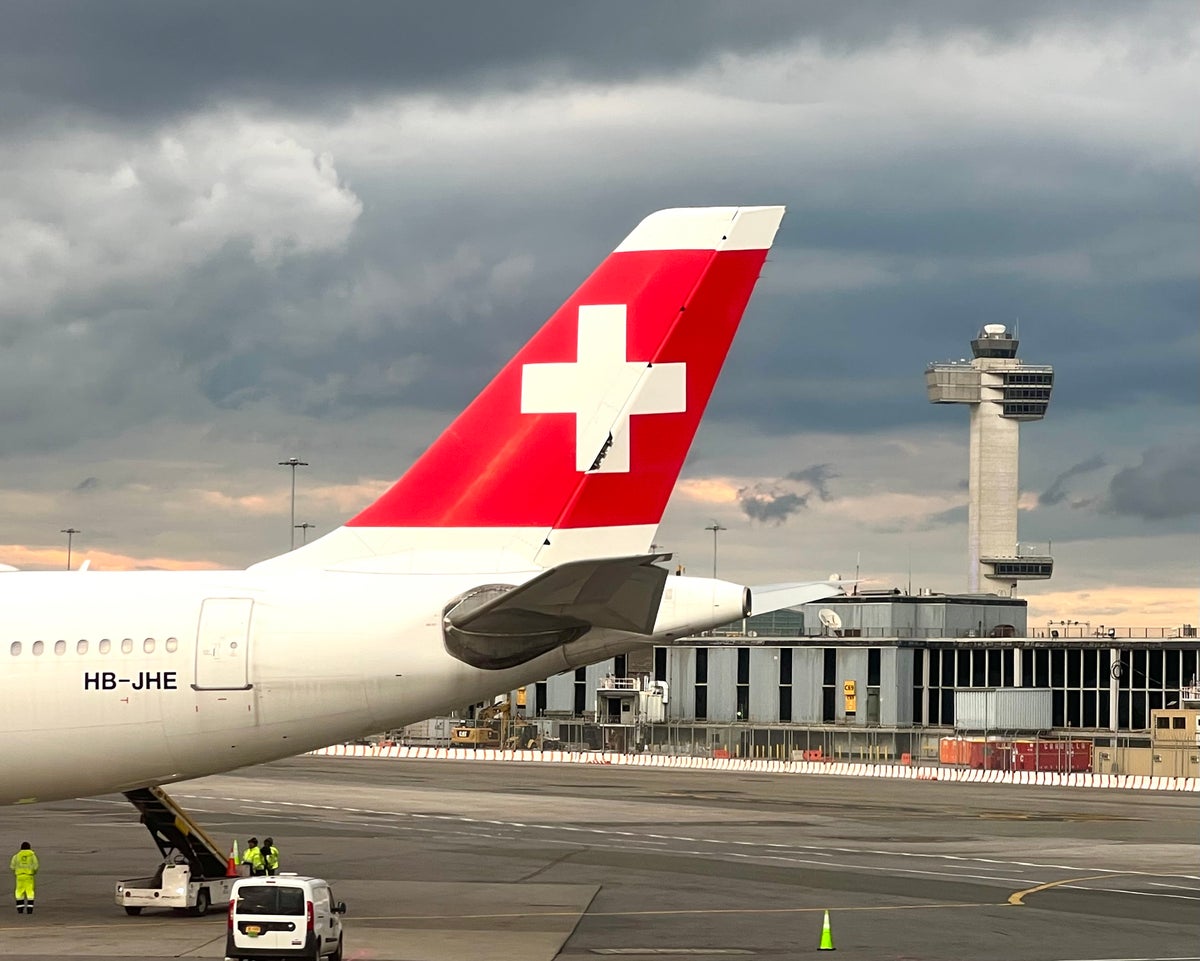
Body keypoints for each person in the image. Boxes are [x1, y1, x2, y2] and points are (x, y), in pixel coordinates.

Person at [10, 841, 38, 915]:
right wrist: (33, 873)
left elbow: (12, 866)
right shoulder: (32, 856)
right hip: (29, 876)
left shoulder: (16, 856)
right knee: (30, 892)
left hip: (19, 876)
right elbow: (36, 866)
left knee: (19, 892)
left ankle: (20, 909)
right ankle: (29, 909)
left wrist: (16, 872)